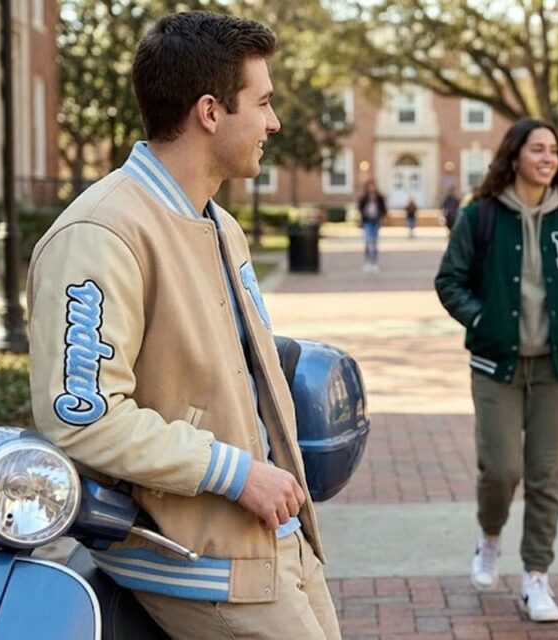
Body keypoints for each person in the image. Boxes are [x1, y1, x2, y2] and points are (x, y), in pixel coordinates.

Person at [26, 12, 340, 639]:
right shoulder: (101, 233)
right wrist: (238, 472)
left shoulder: (220, 225)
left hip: (274, 544)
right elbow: (84, 418)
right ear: (210, 111)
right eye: (263, 101)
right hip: (198, 563)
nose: (273, 122)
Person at [434, 118, 558, 623]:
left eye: (553, 150)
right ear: (515, 156)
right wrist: (481, 319)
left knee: (546, 475)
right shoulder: (481, 216)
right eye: (537, 149)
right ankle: (489, 537)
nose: (548, 158)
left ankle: (536, 577)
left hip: (556, 367)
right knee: (502, 470)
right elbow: (450, 280)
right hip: (496, 365)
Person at [357, 180, 387, 272]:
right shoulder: (365, 198)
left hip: (376, 221)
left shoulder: (379, 198)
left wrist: (382, 217)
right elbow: (360, 207)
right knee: (367, 241)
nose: (372, 188)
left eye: (373, 186)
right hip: (367, 221)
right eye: (370, 186)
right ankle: (367, 262)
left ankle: (374, 263)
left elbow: (384, 209)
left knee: (374, 242)